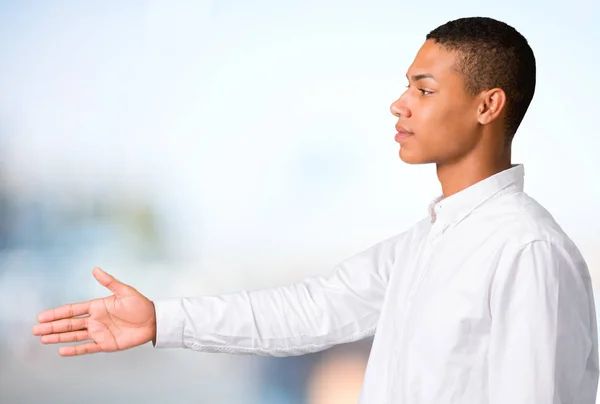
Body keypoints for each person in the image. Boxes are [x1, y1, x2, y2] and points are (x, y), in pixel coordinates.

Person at [32, 16, 599, 403]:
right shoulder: (426, 243)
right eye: (406, 86)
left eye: (424, 90)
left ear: (488, 105)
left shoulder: (527, 249)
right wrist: (162, 320)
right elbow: (309, 311)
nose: (398, 104)